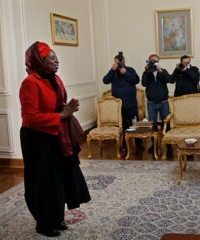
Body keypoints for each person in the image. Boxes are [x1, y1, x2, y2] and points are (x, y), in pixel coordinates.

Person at [19, 42, 91, 237]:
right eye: (51, 57)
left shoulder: (56, 79)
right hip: (36, 138)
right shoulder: (30, 83)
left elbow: (58, 106)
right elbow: (31, 117)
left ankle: (57, 218)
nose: (56, 60)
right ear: (38, 61)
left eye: (56, 56)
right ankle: (43, 223)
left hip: (56, 135)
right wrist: (61, 114)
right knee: (43, 182)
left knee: (59, 178)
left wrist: (67, 108)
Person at [103, 52, 143, 149]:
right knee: (123, 125)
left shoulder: (130, 70)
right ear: (114, 63)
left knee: (135, 124)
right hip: (119, 105)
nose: (119, 65)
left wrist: (125, 72)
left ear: (124, 62)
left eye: (120, 63)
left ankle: (139, 143)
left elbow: (136, 80)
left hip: (131, 103)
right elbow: (105, 80)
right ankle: (125, 144)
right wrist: (112, 70)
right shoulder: (113, 72)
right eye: (117, 63)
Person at [141, 54, 172, 152]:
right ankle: (154, 145)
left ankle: (169, 145)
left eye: (155, 61)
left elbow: (170, 80)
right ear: (149, 62)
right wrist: (147, 71)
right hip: (151, 103)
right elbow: (144, 83)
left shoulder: (163, 71)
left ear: (159, 62)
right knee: (153, 125)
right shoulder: (147, 73)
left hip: (164, 102)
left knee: (166, 124)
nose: (153, 63)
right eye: (152, 61)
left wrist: (161, 71)